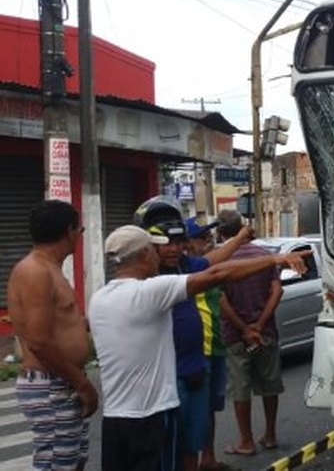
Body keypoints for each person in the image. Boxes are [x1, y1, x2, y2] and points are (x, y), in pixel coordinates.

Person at [88, 224, 311, 471]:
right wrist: (276, 258)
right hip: (152, 416)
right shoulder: (150, 292)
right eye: (153, 249)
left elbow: (209, 265)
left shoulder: (98, 299)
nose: (159, 254)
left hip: (115, 418)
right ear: (143, 254)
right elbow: (217, 274)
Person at [134, 198, 252, 471]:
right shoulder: (142, 278)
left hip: (195, 369)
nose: (175, 249)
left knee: (192, 443)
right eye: (167, 244)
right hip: (162, 380)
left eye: (179, 242)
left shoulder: (185, 266)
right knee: (165, 448)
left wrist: (274, 258)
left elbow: (218, 265)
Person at [7, 200, 98, 470]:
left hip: (60, 381)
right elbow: (38, 341)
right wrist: (82, 383)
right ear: (68, 231)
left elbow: (60, 324)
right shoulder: (35, 271)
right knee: (58, 463)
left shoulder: (50, 268)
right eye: (79, 229)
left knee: (72, 459)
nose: (79, 237)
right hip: (50, 383)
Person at [218, 210, 285, 456]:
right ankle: (270, 435)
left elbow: (221, 300)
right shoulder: (264, 256)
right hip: (266, 331)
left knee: (240, 388)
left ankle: (245, 441)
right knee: (269, 385)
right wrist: (259, 324)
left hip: (236, 336)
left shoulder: (222, 261)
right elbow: (277, 291)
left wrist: (246, 329)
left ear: (221, 233)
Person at [183, 217, 234, 471]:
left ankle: (208, 458)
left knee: (211, 407)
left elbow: (221, 298)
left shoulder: (204, 264)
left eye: (208, 236)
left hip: (216, 343)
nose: (207, 240)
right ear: (187, 242)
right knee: (198, 409)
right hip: (199, 348)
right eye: (201, 237)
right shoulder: (187, 269)